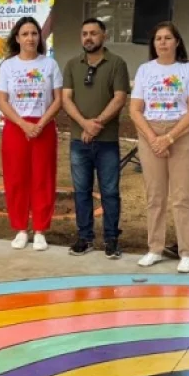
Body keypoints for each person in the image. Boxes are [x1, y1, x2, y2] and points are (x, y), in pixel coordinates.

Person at [129, 21, 189, 273]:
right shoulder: (144, 70)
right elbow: (135, 109)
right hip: (150, 131)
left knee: (182, 196)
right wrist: (153, 138)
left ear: (177, 42)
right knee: (155, 196)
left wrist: (169, 138)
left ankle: (186, 252)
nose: (162, 42)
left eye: (167, 38)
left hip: (181, 132)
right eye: (158, 38)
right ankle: (155, 248)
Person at [61, 18, 130, 258]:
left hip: (107, 141)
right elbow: (66, 99)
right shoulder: (72, 65)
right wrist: (85, 125)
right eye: (84, 34)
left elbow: (120, 98)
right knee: (81, 191)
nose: (88, 38)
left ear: (104, 36)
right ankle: (85, 237)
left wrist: (97, 124)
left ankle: (111, 239)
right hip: (79, 141)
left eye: (93, 33)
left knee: (110, 191)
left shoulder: (117, 64)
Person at [0, 16, 63, 251]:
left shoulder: (49, 65)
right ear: (17, 38)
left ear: (39, 37)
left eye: (34, 33)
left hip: (43, 128)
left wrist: (41, 123)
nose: (30, 38)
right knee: (16, 179)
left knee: (43, 178)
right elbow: (2, 101)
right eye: (25, 34)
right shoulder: (8, 66)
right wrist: (23, 125)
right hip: (16, 127)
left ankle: (41, 229)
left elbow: (58, 99)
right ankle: (21, 228)